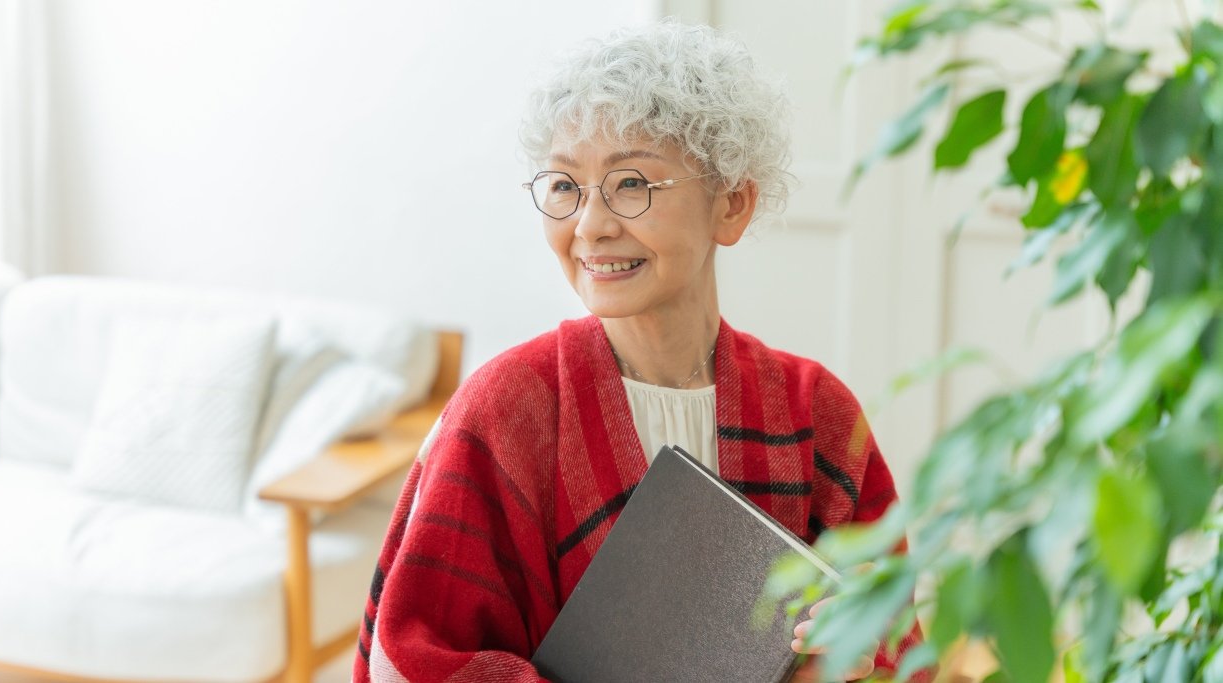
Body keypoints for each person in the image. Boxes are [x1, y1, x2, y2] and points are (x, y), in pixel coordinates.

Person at [353, 20, 925, 682]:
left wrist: (846, 654)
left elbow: (895, 637)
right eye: (564, 186)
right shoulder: (506, 408)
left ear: (732, 204)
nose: (590, 225)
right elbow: (420, 655)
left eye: (631, 184)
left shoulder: (816, 410)